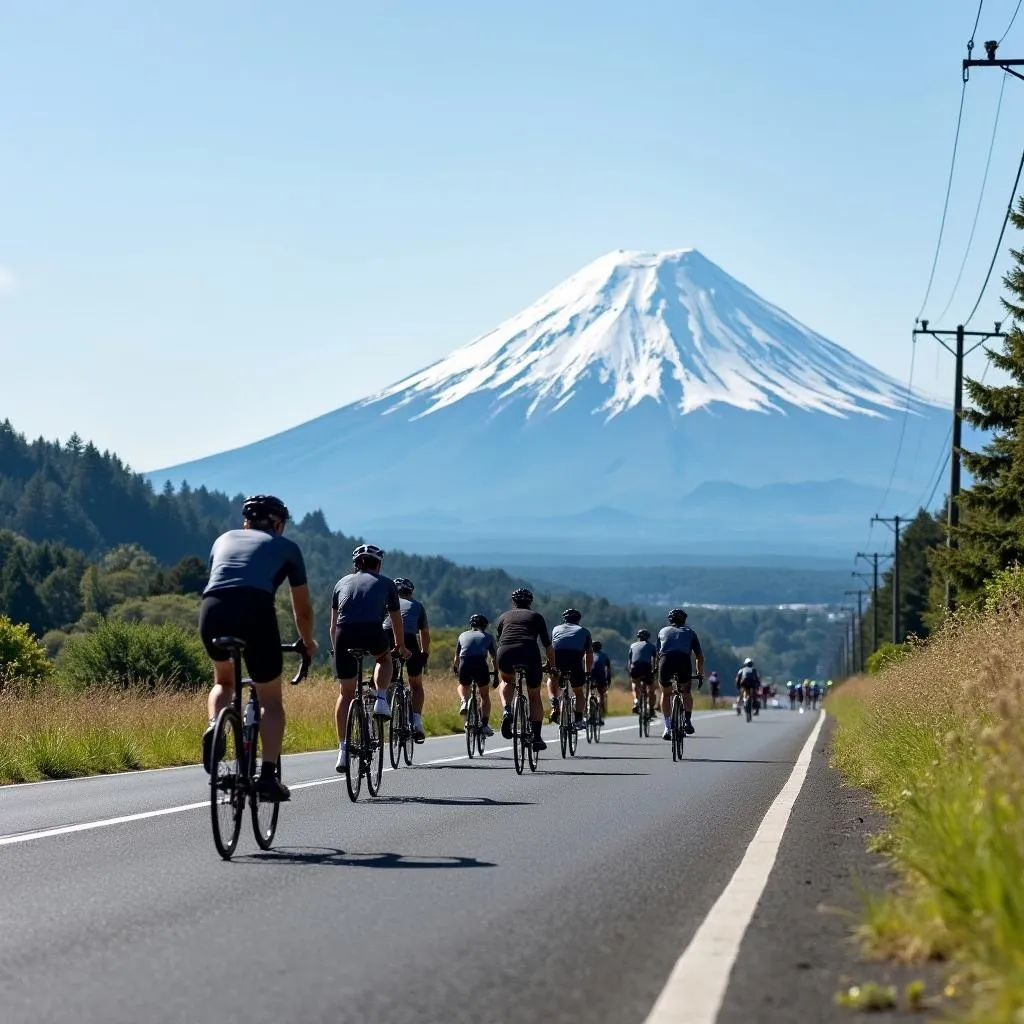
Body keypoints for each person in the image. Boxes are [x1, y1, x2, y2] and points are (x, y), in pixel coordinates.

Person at [199, 494, 318, 802]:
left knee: (224, 682)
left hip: (212, 610)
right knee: (271, 701)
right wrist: (307, 641)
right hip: (255, 611)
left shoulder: (222, 539)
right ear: (278, 524)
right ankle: (267, 777)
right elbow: (302, 609)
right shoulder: (287, 547)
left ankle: (215, 726)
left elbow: (220, 580)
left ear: (245, 522)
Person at [330, 543, 409, 774]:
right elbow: (396, 619)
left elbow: (333, 626)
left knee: (345, 694)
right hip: (372, 631)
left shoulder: (340, 583)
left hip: (343, 634)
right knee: (384, 659)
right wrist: (400, 646)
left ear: (355, 564)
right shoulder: (386, 583)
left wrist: (336, 649)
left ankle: (343, 750)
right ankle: (381, 699)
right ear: (379, 564)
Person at [495, 588, 556, 751]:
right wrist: (552, 666)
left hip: (505, 652)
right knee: (534, 695)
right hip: (528, 652)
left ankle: (507, 710)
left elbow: (498, 641)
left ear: (513, 602)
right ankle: (536, 737)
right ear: (530, 602)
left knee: (507, 680)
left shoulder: (503, 617)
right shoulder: (536, 616)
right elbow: (547, 645)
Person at [383, 577, 431, 743]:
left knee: (385, 674)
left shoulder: (386, 603)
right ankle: (416, 722)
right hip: (409, 639)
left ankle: (382, 703)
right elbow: (424, 634)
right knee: (416, 685)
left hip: (386, 637)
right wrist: (424, 654)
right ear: (410, 593)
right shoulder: (417, 606)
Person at [657, 609, 705, 739]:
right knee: (686, 691)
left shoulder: (662, 631)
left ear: (670, 620)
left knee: (666, 694)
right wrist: (700, 673)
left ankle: (667, 727)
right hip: (683, 661)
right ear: (684, 620)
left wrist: (657, 669)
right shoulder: (690, 633)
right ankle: (687, 721)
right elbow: (699, 657)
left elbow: (658, 654)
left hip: (665, 661)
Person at [548, 608, 594, 731]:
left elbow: (551, 647)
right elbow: (589, 654)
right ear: (578, 620)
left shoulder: (555, 629)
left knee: (552, 679)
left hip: (558, 656)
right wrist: (587, 672)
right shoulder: (584, 631)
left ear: (565, 619)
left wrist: (551, 666)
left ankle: (554, 703)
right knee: (578, 691)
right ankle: (578, 720)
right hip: (575, 659)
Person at [453, 613, 497, 737]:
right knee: (484, 695)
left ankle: (464, 701)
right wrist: (496, 673)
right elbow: (494, 658)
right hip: (479, 664)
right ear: (485, 625)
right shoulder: (488, 636)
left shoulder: (462, 635)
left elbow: (456, 657)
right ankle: (484, 725)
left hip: (464, 663)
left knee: (462, 685)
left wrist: (456, 669)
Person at [628, 629, 657, 716]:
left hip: (635, 667)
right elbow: (656, 659)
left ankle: (636, 701)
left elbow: (629, 660)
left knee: (635, 684)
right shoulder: (651, 646)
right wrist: (655, 669)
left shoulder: (632, 645)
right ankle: (651, 709)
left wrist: (630, 670)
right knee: (652, 689)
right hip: (646, 668)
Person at [590, 641, 611, 725]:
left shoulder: (587, 655)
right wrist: (608, 680)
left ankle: (588, 710)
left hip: (590, 675)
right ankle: (600, 713)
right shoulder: (605, 656)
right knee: (601, 694)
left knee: (588, 692)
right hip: (601, 677)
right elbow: (608, 670)